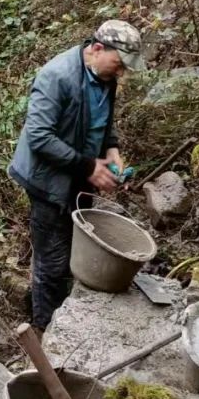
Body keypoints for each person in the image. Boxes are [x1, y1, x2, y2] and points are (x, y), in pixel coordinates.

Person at [9, 19, 145, 332]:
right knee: (52, 262)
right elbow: (39, 137)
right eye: (118, 63)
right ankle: (45, 332)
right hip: (46, 181)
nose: (121, 72)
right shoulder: (57, 77)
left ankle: (65, 310)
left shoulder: (104, 75)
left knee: (75, 247)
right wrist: (89, 167)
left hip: (77, 173)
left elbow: (103, 121)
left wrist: (111, 150)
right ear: (97, 49)